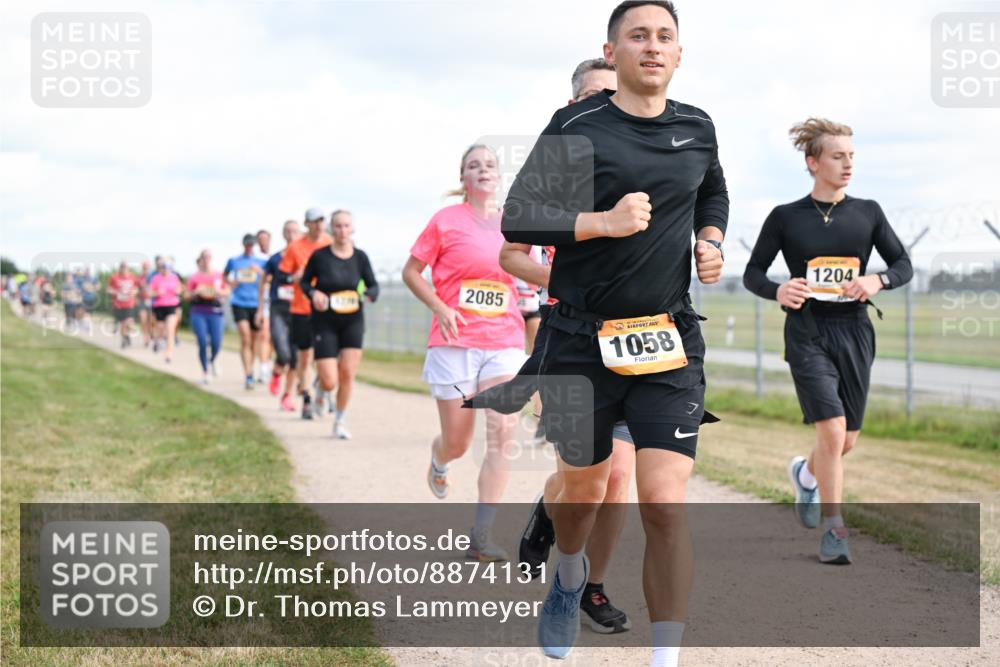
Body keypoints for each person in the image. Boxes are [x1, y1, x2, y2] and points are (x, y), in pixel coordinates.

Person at [501, 2, 728, 663]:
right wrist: (601, 222)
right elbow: (519, 217)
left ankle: (665, 658)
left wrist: (709, 240)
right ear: (613, 51)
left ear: (679, 53)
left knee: (663, 501)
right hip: (578, 340)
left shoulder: (698, 126)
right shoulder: (577, 124)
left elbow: (712, 192)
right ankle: (569, 573)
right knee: (584, 490)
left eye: (665, 36)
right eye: (639, 35)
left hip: (667, 340)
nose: (652, 46)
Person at [499, 56, 634, 635]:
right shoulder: (553, 170)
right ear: (573, 104)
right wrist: (568, 283)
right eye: (593, 94)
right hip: (569, 338)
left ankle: (589, 588)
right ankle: (548, 514)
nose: (605, 101)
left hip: (638, 341)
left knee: (621, 477)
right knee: (587, 481)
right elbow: (511, 253)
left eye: (614, 92)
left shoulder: (645, 161)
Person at [743, 117, 912, 565]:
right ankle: (836, 531)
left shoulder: (868, 212)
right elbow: (752, 273)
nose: (848, 164)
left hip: (855, 330)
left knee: (845, 441)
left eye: (852, 156)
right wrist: (778, 289)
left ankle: (805, 474)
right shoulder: (785, 217)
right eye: (838, 156)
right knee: (832, 432)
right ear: (813, 162)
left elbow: (903, 264)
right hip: (807, 330)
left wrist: (878, 280)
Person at [402, 144, 527, 561]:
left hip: (503, 341)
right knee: (458, 442)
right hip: (454, 342)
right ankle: (440, 460)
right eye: (474, 165)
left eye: (489, 164)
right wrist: (441, 306)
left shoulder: (515, 222)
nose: (483, 170)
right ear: (463, 178)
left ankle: (482, 534)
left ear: (498, 174)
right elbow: (411, 272)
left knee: (502, 432)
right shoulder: (445, 221)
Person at [300, 210, 380, 439]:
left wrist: (369, 295)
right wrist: (314, 294)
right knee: (329, 380)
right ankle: (320, 391)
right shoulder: (320, 256)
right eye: (337, 226)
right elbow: (305, 283)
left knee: (347, 374)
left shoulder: (360, 257)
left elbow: (374, 286)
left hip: (353, 320)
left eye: (346, 226)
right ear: (331, 229)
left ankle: (340, 421)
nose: (342, 230)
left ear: (352, 229)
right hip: (324, 321)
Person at [279, 208, 333, 419]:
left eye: (322, 220)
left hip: (327, 308)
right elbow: (282, 278)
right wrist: (296, 277)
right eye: (315, 221)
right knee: (305, 356)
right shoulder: (295, 247)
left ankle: (322, 387)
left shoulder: (330, 243)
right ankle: (307, 397)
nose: (319, 225)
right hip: (301, 308)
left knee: (328, 356)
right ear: (307, 224)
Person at [259, 220, 302, 411]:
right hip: (279, 308)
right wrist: (261, 308)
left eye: (295, 231)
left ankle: (287, 396)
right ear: (284, 234)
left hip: (299, 309)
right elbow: (263, 281)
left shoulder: (307, 257)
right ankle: (277, 373)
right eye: (288, 231)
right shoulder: (275, 259)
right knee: (283, 353)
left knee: (295, 357)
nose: (292, 234)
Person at [224, 234, 268, 390]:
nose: (249, 247)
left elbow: (270, 279)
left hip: (256, 304)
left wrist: (260, 272)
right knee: (245, 337)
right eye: (247, 244)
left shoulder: (262, 262)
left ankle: (254, 368)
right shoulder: (234, 261)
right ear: (243, 245)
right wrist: (231, 282)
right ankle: (248, 374)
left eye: (251, 244)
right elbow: (225, 276)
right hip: (239, 302)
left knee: (255, 341)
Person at [186, 250, 230, 384]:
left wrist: (219, 292)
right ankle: (205, 371)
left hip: (215, 311)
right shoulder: (194, 277)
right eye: (204, 257)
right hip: (199, 311)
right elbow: (186, 296)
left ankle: (213, 360)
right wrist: (195, 292)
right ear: (200, 259)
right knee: (202, 341)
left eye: (208, 257)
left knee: (216, 342)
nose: (206, 260)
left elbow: (227, 290)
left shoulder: (219, 275)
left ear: (211, 258)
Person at [149, 258, 182, 363]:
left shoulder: (174, 277)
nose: (165, 270)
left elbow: (180, 289)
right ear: (160, 268)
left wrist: (178, 291)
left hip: (172, 305)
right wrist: (157, 293)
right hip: (159, 306)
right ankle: (158, 341)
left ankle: (168, 354)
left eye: (168, 268)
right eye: (163, 267)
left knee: (170, 329)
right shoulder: (155, 278)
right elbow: (149, 293)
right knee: (160, 328)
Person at [255, 229, 274, 382]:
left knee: (275, 337)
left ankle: (269, 363)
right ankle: (263, 367)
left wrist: (262, 273)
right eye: (260, 239)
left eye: (265, 238)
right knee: (264, 334)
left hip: (276, 299)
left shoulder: (274, 257)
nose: (263, 241)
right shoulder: (252, 258)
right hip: (262, 299)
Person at [107, 261, 138, 348]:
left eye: (125, 267)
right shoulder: (114, 277)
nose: (124, 269)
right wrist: (116, 293)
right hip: (118, 305)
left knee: (129, 323)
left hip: (129, 304)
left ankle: (127, 335)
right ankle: (124, 338)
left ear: (128, 268)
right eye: (122, 267)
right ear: (120, 268)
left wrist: (134, 292)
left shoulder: (132, 277)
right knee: (123, 323)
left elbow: (136, 288)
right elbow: (109, 289)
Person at [137, 259, 154, 347]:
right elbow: (136, 289)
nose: (145, 270)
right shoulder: (139, 278)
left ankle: (150, 331)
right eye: (144, 268)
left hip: (152, 301)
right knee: (143, 319)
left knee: (150, 320)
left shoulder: (153, 277)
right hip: (142, 300)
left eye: (147, 268)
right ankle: (145, 337)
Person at [78, 268, 98, 333]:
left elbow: (98, 286)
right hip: (84, 298)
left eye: (88, 272)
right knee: (84, 312)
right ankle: (87, 325)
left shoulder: (93, 279)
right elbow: (79, 287)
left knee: (89, 313)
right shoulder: (82, 279)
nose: (87, 273)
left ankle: (87, 325)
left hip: (92, 298)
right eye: (86, 272)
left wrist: (94, 288)